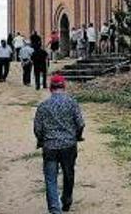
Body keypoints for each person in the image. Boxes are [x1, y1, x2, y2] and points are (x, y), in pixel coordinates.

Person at [34, 74, 85, 214]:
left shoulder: (43, 106)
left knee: (51, 178)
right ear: (64, 87)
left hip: (50, 146)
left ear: (50, 88)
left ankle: (55, 209)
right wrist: (78, 136)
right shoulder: (72, 103)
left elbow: (38, 128)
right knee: (68, 173)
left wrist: (41, 140)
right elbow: (80, 123)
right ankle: (67, 200)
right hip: (69, 145)